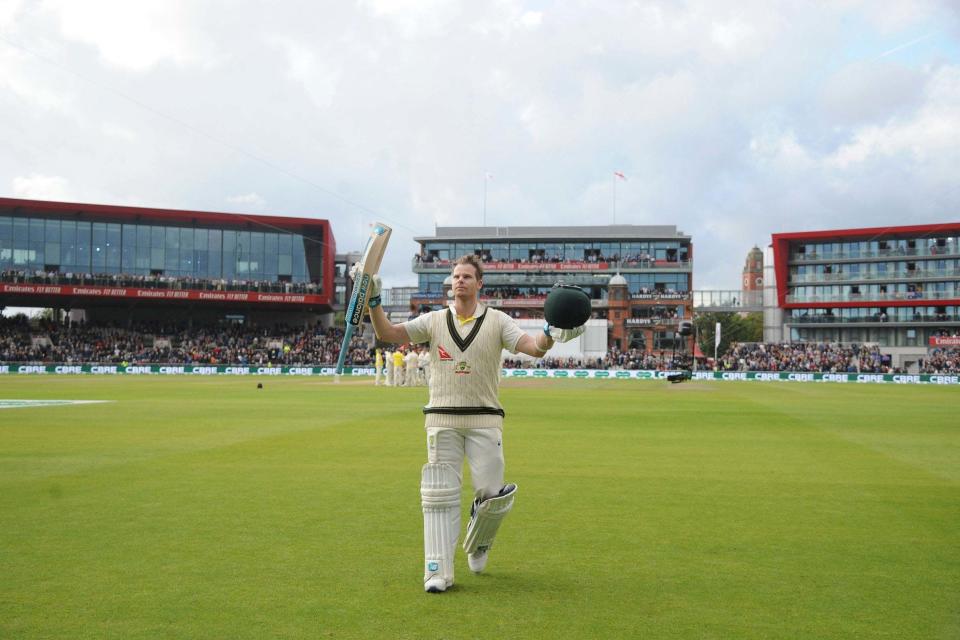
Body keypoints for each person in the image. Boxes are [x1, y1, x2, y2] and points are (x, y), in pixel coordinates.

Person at [363, 254, 584, 593]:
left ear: (480, 283)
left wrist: (550, 333)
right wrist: (374, 299)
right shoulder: (433, 320)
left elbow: (533, 348)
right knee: (439, 496)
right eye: (456, 276)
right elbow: (387, 332)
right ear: (450, 283)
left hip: (485, 419)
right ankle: (437, 571)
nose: (460, 281)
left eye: (467, 276)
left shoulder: (497, 321)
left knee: (491, 496)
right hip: (442, 418)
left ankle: (480, 542)